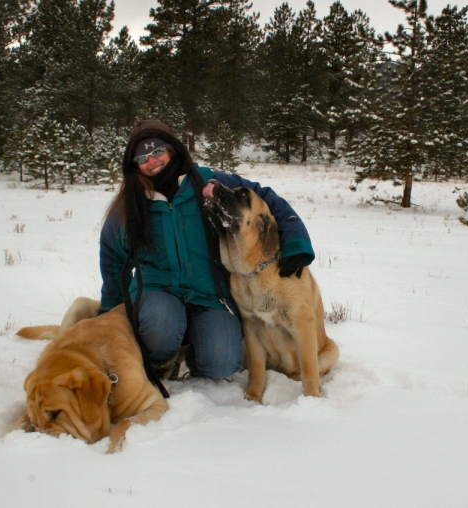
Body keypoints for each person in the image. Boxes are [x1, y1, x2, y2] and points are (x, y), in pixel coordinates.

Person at [99, 120, 314, 382]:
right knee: (160, 328)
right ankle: (162, 361)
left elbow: (264, 198)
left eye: (157, 152)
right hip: (158, 291)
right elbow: (111, 253)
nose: (151, 161)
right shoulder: (131, 203)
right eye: (142, 157)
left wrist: (295, 240)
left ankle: (192, 353)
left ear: (172, 149)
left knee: (222, 363)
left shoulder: (204, 181)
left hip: (210, 294)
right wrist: (110, 308)